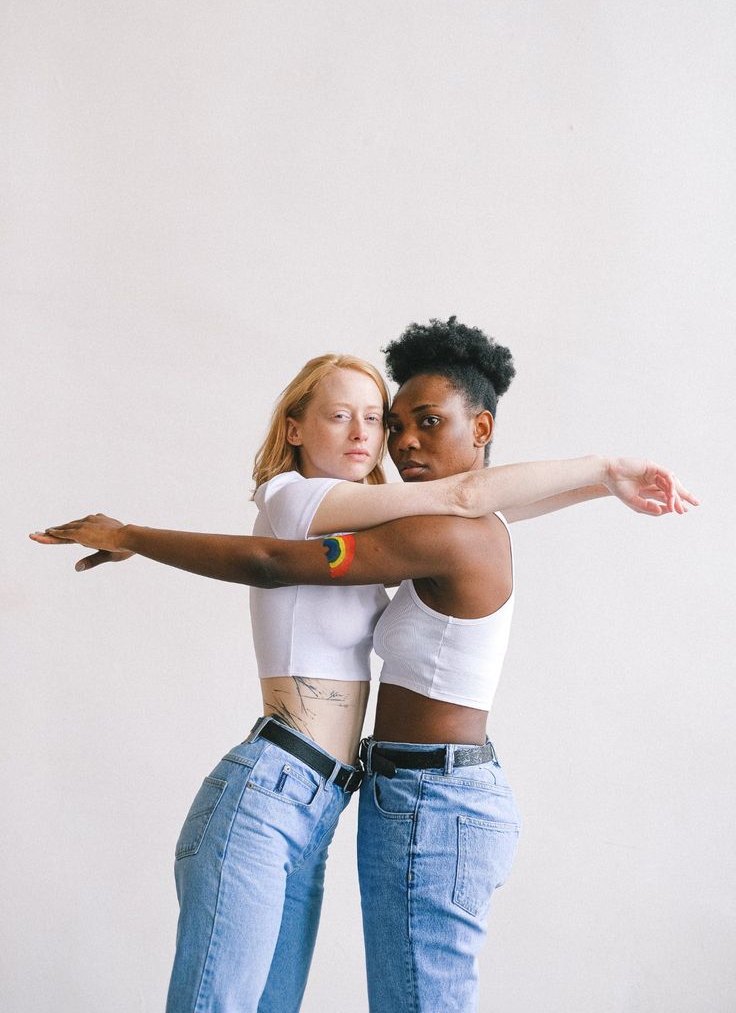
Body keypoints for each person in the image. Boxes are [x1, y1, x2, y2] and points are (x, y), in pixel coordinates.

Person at [30, 326, 696, 1012]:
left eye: (378, 419)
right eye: (351, 417)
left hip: (360, 795)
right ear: (293, 427)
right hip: (293, 784)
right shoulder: (296, 498)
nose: (384, 438)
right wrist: (129, 534)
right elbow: (469, 499)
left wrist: (603, 476)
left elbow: (478, 499)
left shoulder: (421, 528)